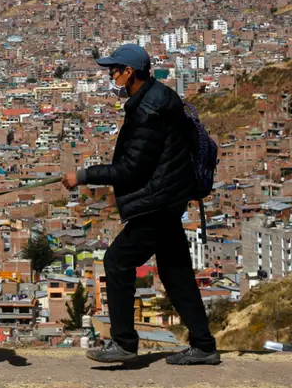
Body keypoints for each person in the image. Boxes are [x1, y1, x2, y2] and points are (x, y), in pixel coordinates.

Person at [61, 44, 220, 366]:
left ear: (129, 72)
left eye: (113, 70)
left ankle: (124, 343)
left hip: (157, 201)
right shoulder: (157, 97)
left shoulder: (149, 110)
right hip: (170, 196)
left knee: (118, 261)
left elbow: (132, 168)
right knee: (176, 274)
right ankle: (204, 346)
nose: (111, 75)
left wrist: (83, 175)